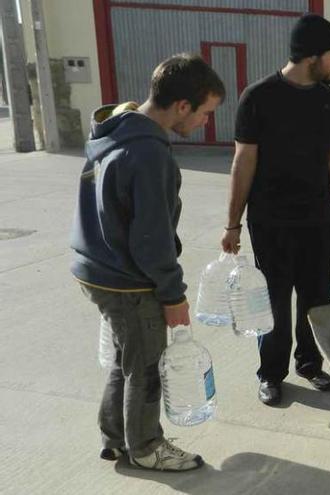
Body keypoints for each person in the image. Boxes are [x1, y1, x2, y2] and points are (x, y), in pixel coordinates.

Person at [71, 53, 225, 471]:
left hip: (97, 267)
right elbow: (150, 237)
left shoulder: (117, 127)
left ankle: (116, 437)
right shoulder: (147, 152)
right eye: (205, 113)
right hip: (128, 279)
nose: (206, 123)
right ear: (182, 106)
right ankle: (145, 447)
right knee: (148, 368)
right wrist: (173, 295)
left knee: (129, 358)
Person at [220, 14, 330, 406]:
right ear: (312, 56)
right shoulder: (259, 97)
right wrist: (232, 224)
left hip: (319, 220)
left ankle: (310, 364)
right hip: (271, 221)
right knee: (274, 301)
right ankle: (271, 373)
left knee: (317, 299)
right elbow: (243, 162)